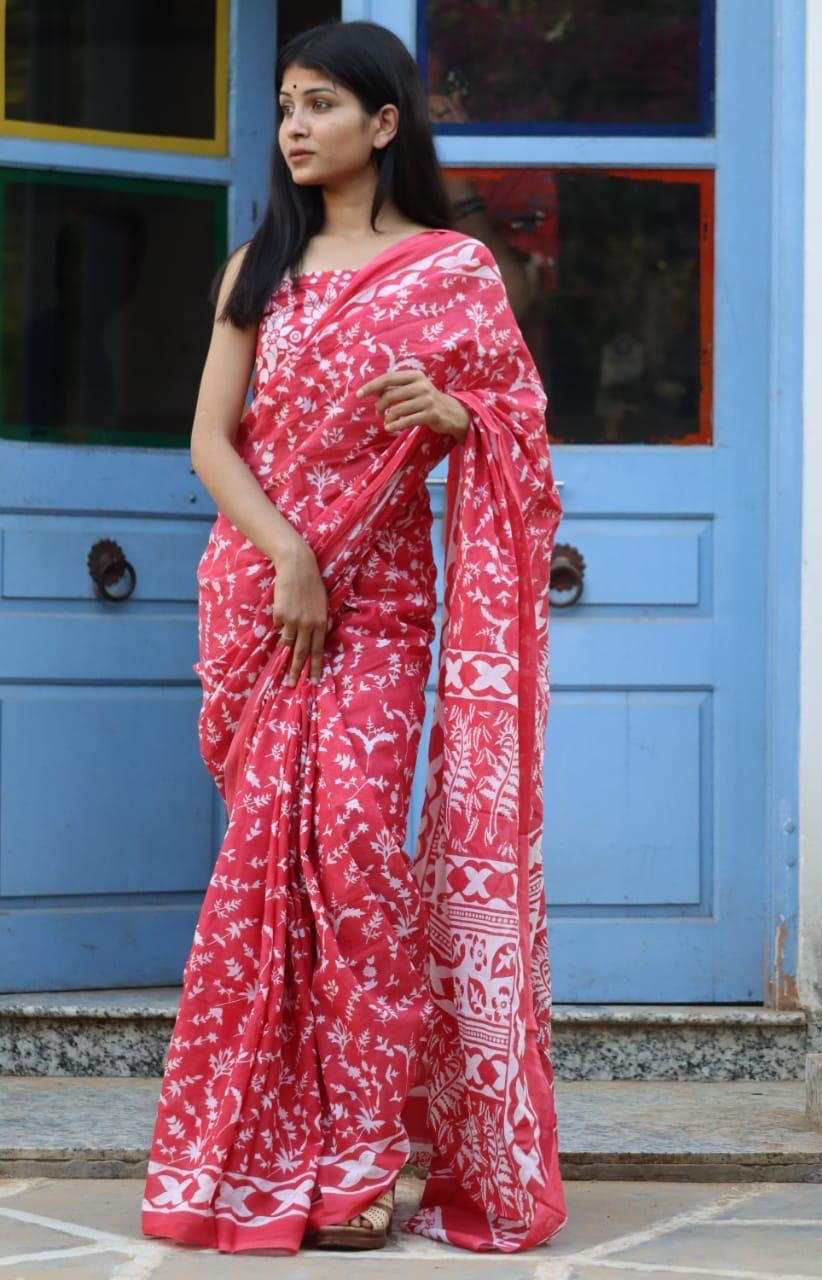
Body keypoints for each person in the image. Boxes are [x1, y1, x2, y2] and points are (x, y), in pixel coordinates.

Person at [140, 18, 566, 1257]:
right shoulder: (253, 267)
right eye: (285, 103)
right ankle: (256, 1159)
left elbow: (513, 429)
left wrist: (456, 414)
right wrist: (287, 557)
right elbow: (210, 442)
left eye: (320, 103)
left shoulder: (452, 270)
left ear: (384, 124)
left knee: (360, 870)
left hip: (380, 602)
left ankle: (366, 1162)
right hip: (267, 597)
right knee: (264, 886)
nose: (293, 125)